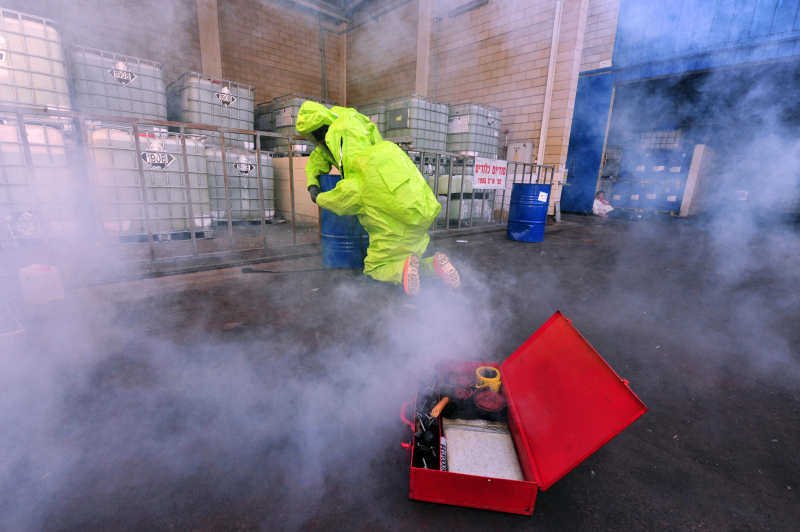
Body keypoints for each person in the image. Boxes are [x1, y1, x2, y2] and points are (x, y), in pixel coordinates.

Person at [296, 102, 460, 296]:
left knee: (376, 266)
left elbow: (343, 198)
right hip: (420, 213)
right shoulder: (387, 152)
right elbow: (320, 157)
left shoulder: (359, 177)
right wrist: (312, 179)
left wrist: (319, 195)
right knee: (406, 252)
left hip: (390, 223)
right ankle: (432, 265)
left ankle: (401, 270)